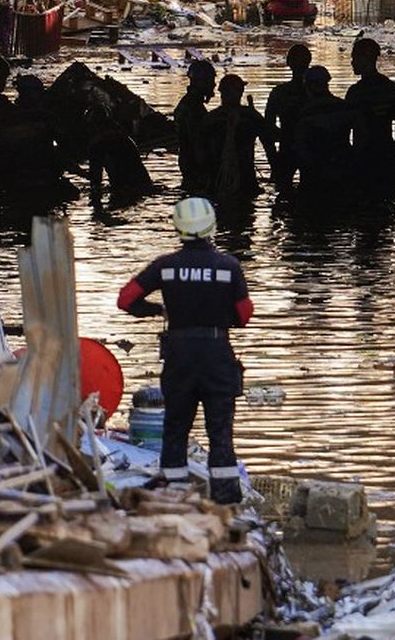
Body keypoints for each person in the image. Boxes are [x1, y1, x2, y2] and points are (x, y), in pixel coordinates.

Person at [116, 197, 252, 504]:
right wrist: (220, 315)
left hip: (179, 356)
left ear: (178, 228)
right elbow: (244, 314)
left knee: (175, 425)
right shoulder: (229, 267)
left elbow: (126, 300)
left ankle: (174, 496)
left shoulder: (165, 266)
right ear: (211, 226)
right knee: (220, 430)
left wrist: (158, 310)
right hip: (217, 354)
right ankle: (227, 500)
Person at [201, 74, 276, 203]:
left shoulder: (211, 118)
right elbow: (269, 138)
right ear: (240, 92)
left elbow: (201, 151)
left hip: (216, 179)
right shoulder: (250, 116)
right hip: (245, 178)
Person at [344, 38, 395, 194]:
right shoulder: (391, 89)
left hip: (364, 157)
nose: (352, 62)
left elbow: (346, 128)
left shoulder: (355, 93)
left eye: (354, 58)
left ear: (365, 59)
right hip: (387, 152)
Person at [294, 65, 357, 199]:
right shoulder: (345, 108)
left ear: (309, 86)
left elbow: (300, 146)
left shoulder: (307, 113)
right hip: (343, 168)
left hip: (315, 174)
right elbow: (361, 138)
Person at [265, 44, 312, 188]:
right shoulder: (316, 93)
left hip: (289, 148)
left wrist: (273, 160)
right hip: (310, 151)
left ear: (288, 63)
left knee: (283, 191)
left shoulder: (279, 93)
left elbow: (267, 130)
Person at [85, 107, 153, 205]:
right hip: (143, 183)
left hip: (121, 188)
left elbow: (96, 180)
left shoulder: (97, 144)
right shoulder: (126, 139)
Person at [175, 60, 217, 195]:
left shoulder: (191, 104)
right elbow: (197, 142)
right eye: (211, 80)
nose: (214, 84)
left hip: (190, 166)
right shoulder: (192, 108)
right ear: (202, 81)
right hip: (197, 170)